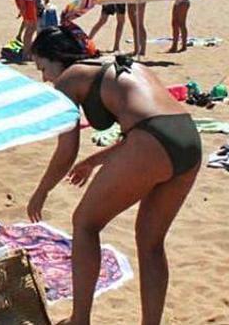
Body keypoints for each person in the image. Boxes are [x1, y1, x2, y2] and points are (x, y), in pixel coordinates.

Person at [26, 28, 200, 325]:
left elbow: (67, 149)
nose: (45, 77)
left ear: (58, 57)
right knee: (151, 241)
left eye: (43, 67)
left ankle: (80, 320)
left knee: (85, 224)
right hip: (188, 139)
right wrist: (94, 161)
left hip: (151, 140)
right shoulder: (120, 63)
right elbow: (149, 125)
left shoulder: (68, 79)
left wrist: (41, 192)